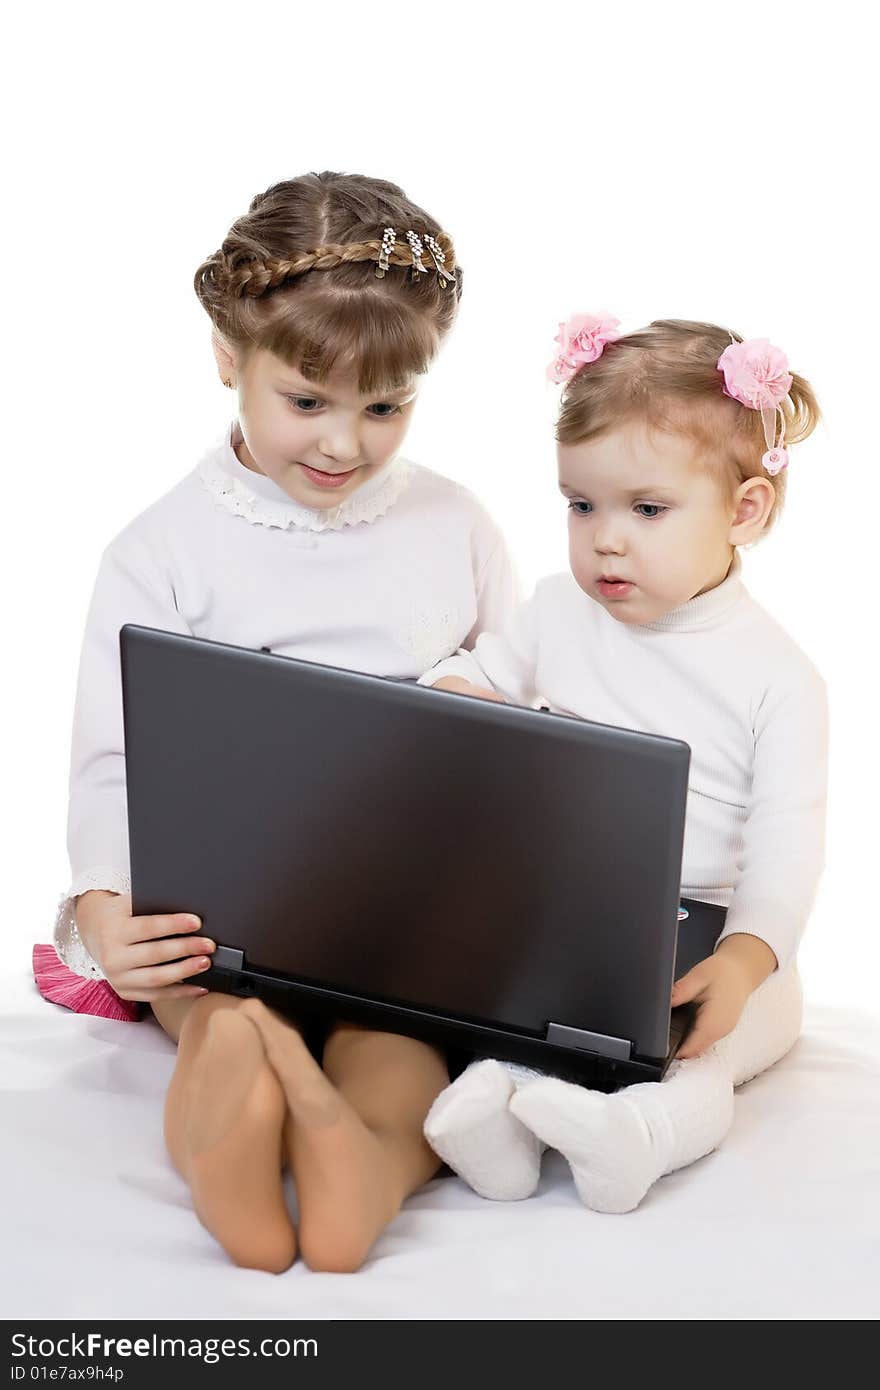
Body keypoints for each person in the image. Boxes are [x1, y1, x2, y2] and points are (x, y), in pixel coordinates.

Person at [35, 171, 517, 1273]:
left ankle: (368, 1160)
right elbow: (110, 759)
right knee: (210, 1006)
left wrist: (483, 704)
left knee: (402, 1057)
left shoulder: (456, 524)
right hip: (222, 920)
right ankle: (233, 1110)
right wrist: (107, 906)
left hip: (403, 920)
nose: (345, 443)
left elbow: (526, 696)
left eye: (385, 407)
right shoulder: (159, 549)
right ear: (227, 357)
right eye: (308, 401)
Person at [419, 316, 828, 1213]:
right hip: (573, 916)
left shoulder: (779, 678)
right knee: (526, 1019)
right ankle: (489, 1104)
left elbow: (787, 845)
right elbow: (467, 679)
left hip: (712, 933)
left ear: (745, 510)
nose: (605, 538)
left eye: (646, 509)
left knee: (709, 1050)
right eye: (581, 504)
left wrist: (752, 956)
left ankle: (637, 1137)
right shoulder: (557, 612)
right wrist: (457, 701)